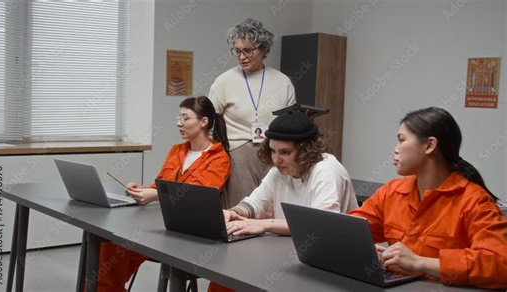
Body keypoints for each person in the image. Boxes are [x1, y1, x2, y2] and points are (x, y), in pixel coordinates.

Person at [349, 107, 507, 289]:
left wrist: (419, 262)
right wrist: (362, 247)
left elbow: (500, 264)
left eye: (401, 140)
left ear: (430, 145)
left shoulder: (474, 201)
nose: (395, 149)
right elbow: (348, 229)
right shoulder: (392, 191)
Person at [208, 111, 359, 292]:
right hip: (291, 256)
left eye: (285, 152)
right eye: (272, 151)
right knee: (223, 283)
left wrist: (265, 225)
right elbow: (255, 203)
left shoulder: (327, 170)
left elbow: (319, 226)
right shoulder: (280, 170)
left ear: (305, 150)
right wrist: (235, 212)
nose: (275, 159)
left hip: (329, 267)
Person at [94, 96, 231, 292]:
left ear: (203, 122)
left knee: (121, 246)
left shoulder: (219, 158)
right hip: (160, 224)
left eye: (185, 118)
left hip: (189, 231)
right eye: (178, 118)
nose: (179, 123)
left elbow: (197, 196)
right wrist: (142, 189)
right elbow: (161, 184)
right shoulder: (177, 150)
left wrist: (154, 195)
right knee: (111, 243)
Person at [209, 18, 296, 209]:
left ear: (263, 49)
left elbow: (291, 123)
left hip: (273, 152)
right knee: (240, 210)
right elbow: (207, 123)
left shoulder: (283, 82)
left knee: (271, 208)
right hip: (238, 154)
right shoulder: (224, 81)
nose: (242, 56)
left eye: (248, 50)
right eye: (237, 50)